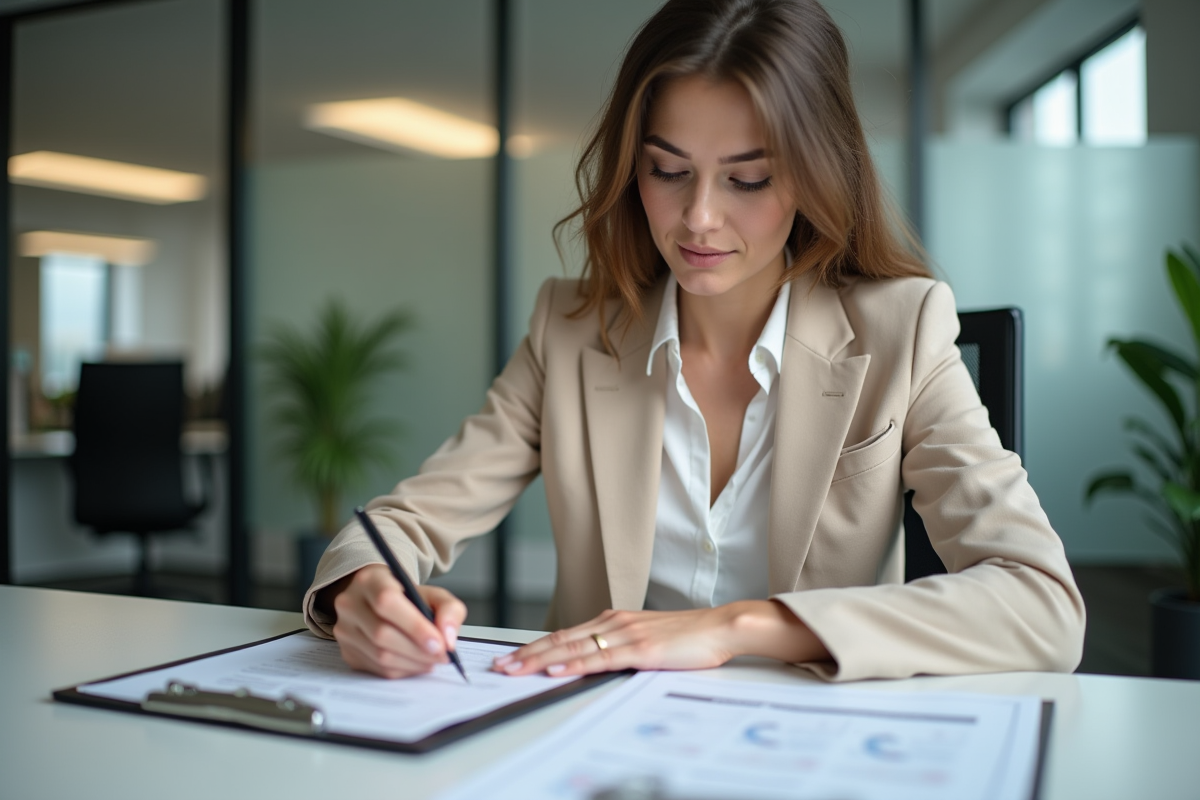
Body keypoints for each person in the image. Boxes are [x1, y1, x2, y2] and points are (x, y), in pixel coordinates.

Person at [303, 0, 1085, 683]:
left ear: (817, 175)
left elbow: (1041, 603)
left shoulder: (901, 329)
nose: (700, 217)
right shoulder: (571, 330)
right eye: (667, 171)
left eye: (748, 179)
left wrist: (733, 628)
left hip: (806, 745)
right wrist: (362, 593)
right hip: (595, 744)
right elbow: (401, 525)